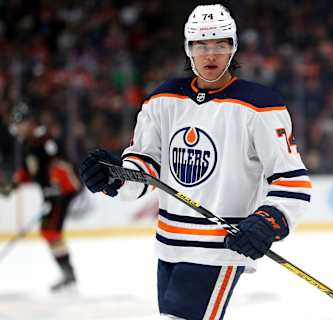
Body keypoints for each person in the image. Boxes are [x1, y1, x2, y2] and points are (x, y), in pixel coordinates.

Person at [79, 4, 311, 319]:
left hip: (220, 246)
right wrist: (116, 177)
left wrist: (270, 221)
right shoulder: (163, 100)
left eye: (220, 44)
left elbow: (291, 180)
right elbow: (144, 164)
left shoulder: (260, 106)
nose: (211, 54)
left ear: (233, 47)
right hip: (170, 245)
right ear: (189, 49)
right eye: (201, 45)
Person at [4, 101, 81, 292]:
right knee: (49, 231)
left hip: (61, 193)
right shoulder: (28, 143)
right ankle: (68, 273)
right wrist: (14, 184)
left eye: (19, 124)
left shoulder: (44, 140)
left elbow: (61, 164)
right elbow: (29, 169)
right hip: (51, 193)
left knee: (50, 231)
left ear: (29, 122)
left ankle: (68, 274)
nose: (17, 129)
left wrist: (57, 187)